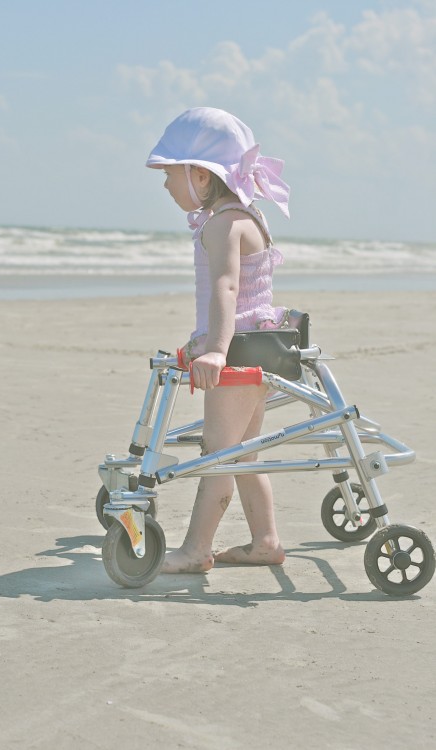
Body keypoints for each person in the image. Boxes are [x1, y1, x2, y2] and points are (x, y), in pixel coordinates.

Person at [146, 107, 290, 573]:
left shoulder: (223, 224)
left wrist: (214, 350)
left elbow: (227, 288)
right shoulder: (245, 216)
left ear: (203, 179)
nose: (166, 185)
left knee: (219, 453)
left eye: (170, 174)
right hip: (260, 348)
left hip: (239, 353)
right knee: (244, 453)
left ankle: (194, 550)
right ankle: (265, 540)